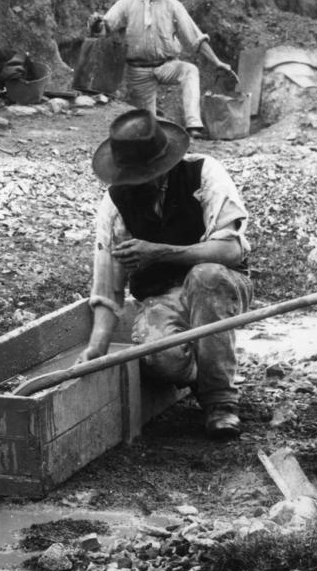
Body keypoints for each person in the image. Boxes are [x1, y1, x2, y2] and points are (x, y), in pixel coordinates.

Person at [77, 108, 252, 438]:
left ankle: (220, 401)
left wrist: (160, 251)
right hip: (162, 295)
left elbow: (231, 250)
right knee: (163, 361)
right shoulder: (116, 202)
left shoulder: (203, 173)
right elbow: (107, 287)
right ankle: (203, 362)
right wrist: (96, 349)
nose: (141, 183)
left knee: (206, 277)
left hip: (221, 283)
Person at [87, 0, 234, 138]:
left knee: (190, 70)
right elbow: (105, 27)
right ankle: (156, 125)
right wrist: (96, 23)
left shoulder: (173, 5)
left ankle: (193, 125)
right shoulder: (127, 4)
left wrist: (216, 61)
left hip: (167, 66)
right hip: (138, 72)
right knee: (149, 129)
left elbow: (195, 38)